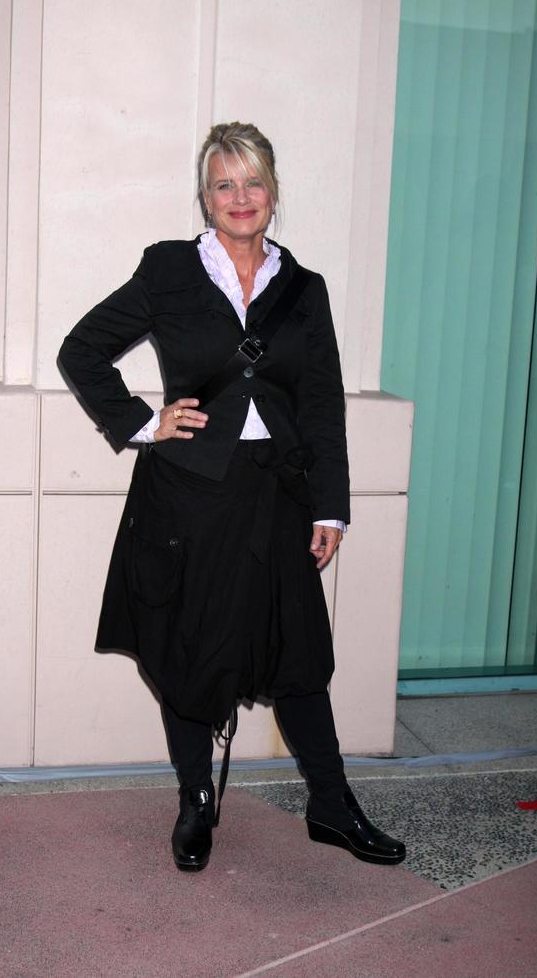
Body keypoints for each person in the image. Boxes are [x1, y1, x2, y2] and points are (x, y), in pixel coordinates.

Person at [58, 121, 405, 872]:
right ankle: (196, 802)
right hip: (187, 495)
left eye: (252, 183)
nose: (239, 198)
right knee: (191, 650)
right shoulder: (170, 271)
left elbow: (320, 404)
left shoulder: (303, 290)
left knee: (301, 653)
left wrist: (329, 505)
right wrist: (145, 423)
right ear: (205, 197)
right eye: (224, 184)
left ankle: (331, 803)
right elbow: (80, 350)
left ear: (273, 194)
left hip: (277, 495)